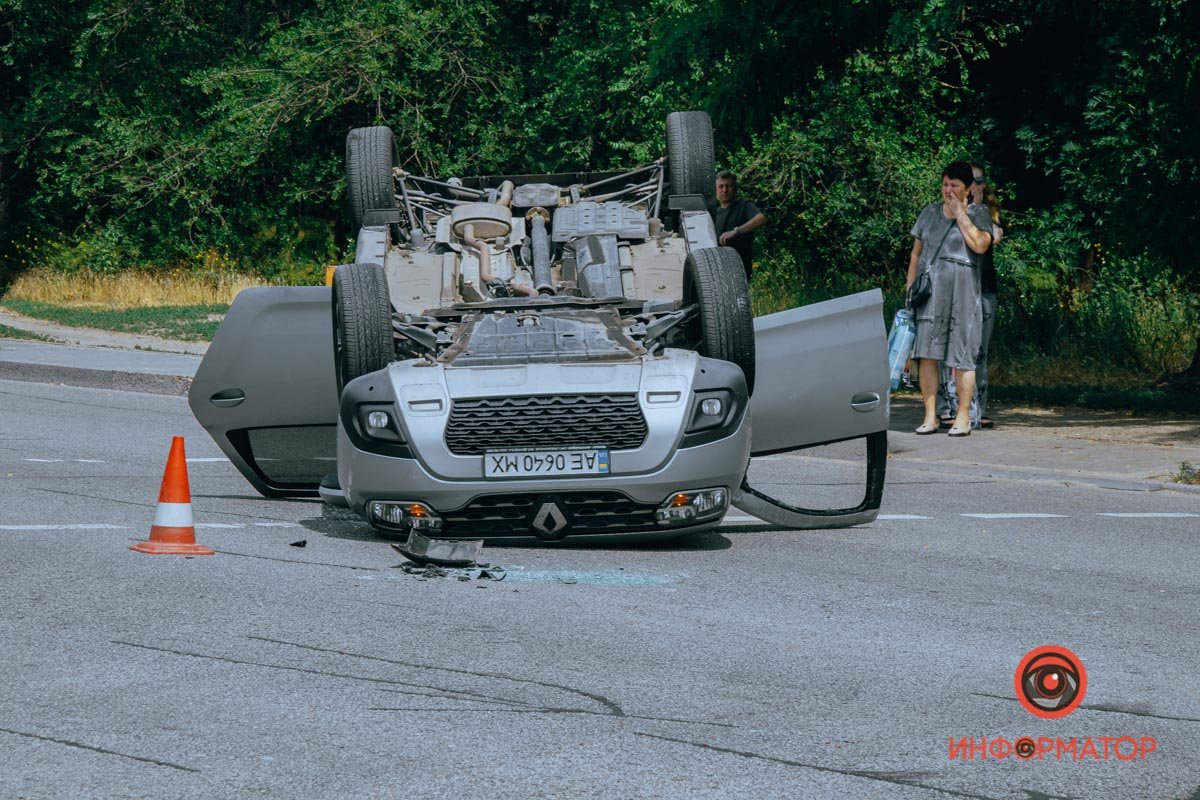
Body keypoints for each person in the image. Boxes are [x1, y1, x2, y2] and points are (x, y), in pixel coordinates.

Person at [906, 161, 992, 437]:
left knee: (963, 355)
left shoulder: (978, 213)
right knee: (927, 355)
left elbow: (981, 244)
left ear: (968, 188)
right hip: (931, 294)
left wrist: (960, 214)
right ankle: (930, 417)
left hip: (964, 295)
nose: (948, 190)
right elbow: (916, 254)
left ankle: (963, 418)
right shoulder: (929, 212)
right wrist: (909, 290)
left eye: (954, 185)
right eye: (945, 184)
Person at [936, 163, 1004, 429]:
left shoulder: (987, 212)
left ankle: (977, 408)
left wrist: (973, 207)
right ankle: (946, 408)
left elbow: (992, 238)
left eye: (978, 180)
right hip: (951, 289)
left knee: (978, 352)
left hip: (983, 289)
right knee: (945, 349)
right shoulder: (946, 212)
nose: (974, 184)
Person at [710, 170, 767, 279]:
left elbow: (761, 219)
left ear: (735, 188)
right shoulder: (714, 214)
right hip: (718, 270)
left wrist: (736, 231)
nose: (725, 190)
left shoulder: (744, 205)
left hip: (739, 268)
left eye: (729, 186)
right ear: (715, 189)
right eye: (721, 186)